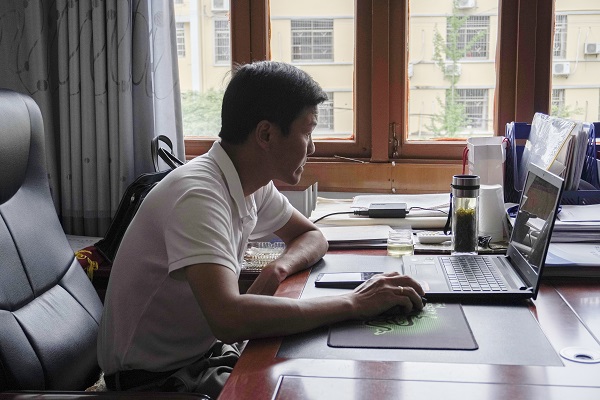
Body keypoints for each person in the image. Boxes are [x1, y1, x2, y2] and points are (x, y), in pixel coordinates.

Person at [97, 61, 425, 396]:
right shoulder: (198, 195)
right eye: (307, 132)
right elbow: (228, 319)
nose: (312, 147)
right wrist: (353, 303)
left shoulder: (250, 182)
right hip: (153, 382)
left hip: (201, 357)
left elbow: (311, 236)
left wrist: (276, 269)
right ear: (266, 134)